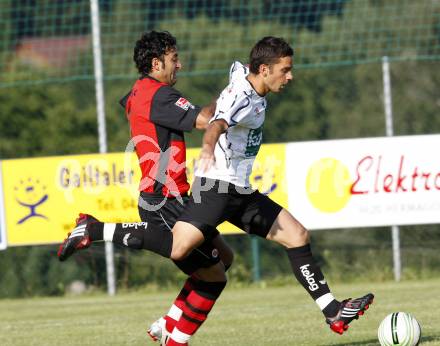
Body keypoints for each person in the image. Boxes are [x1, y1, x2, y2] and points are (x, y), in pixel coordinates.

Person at [58, 30, 233, 346]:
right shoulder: (160, 96)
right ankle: (173, 338)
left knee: (223, 257)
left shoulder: (139, 91)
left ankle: (167, 324)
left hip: (170, 194)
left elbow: (133, 104)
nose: (179, 65)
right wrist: (232, 92)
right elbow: (206, 119)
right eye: (174, 59)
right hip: (165, 199)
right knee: (214, 275)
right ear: (156, 62)